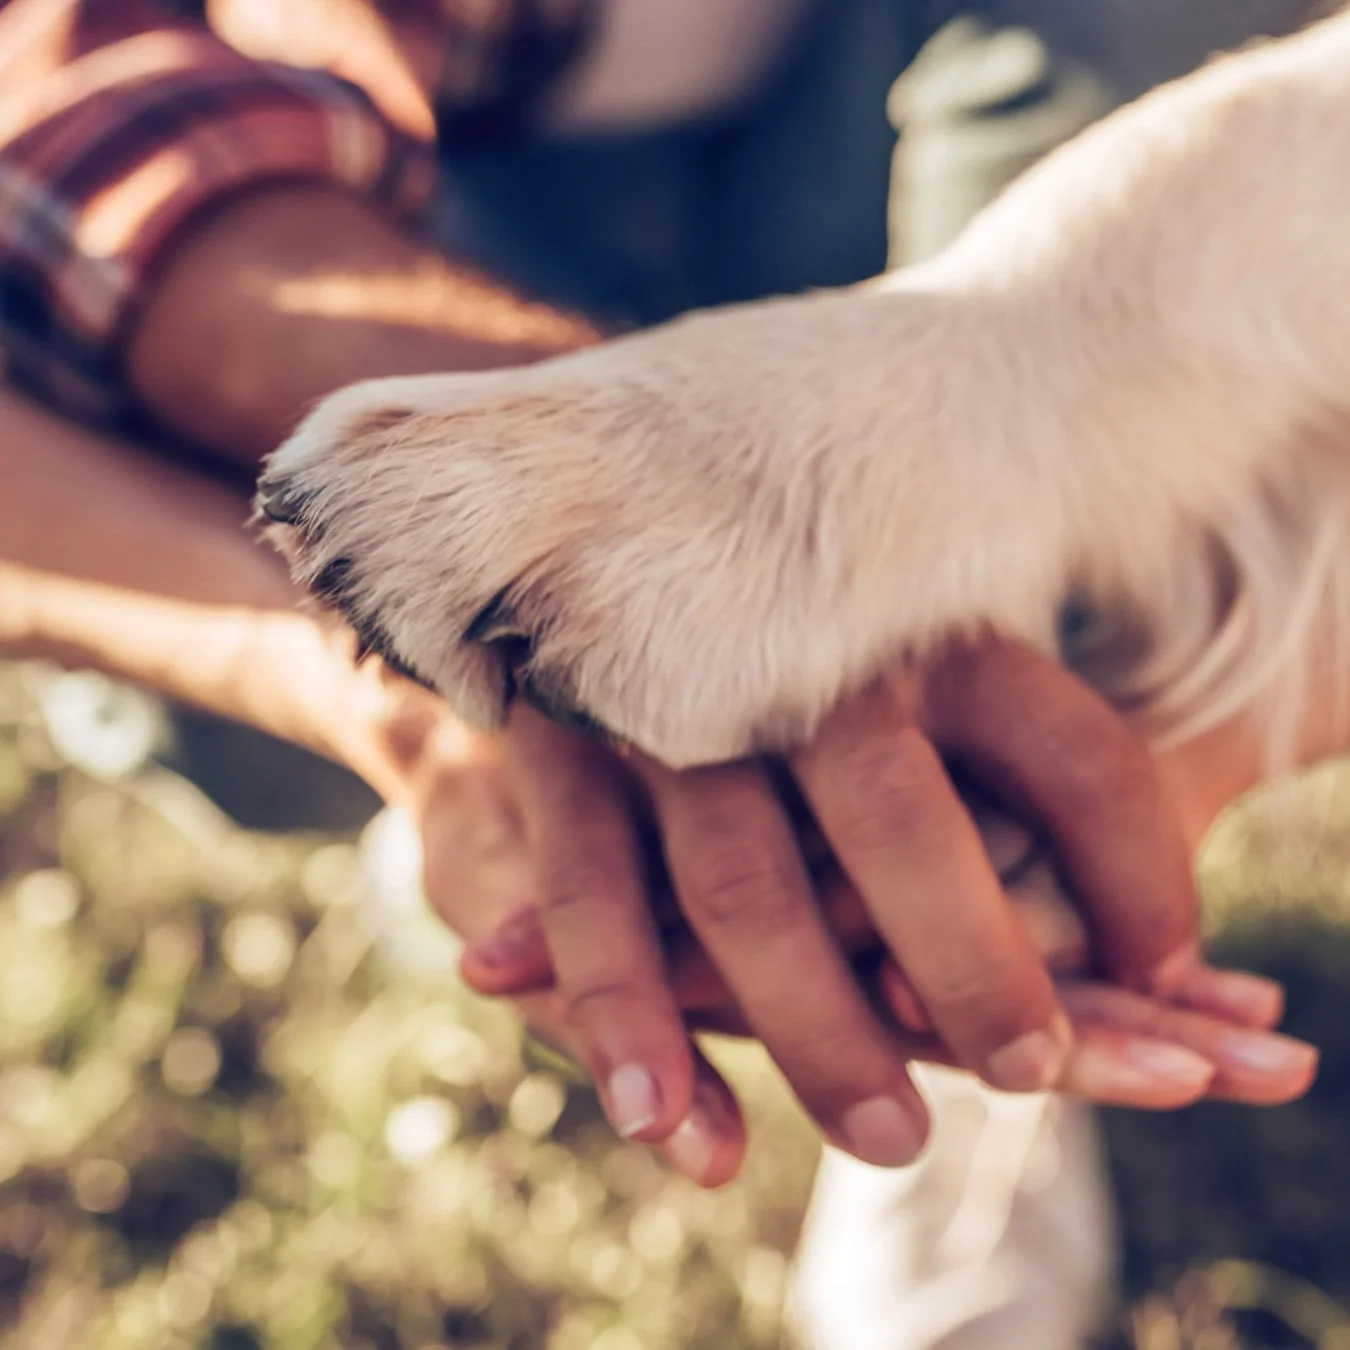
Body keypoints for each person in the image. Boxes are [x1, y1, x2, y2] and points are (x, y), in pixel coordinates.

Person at [0, 2, 1322, 1345]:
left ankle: (964, 933)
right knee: (104, 391)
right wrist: (428, 668)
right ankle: (909, 885)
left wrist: (1147, 725)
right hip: (409, 177)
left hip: (945, 101)